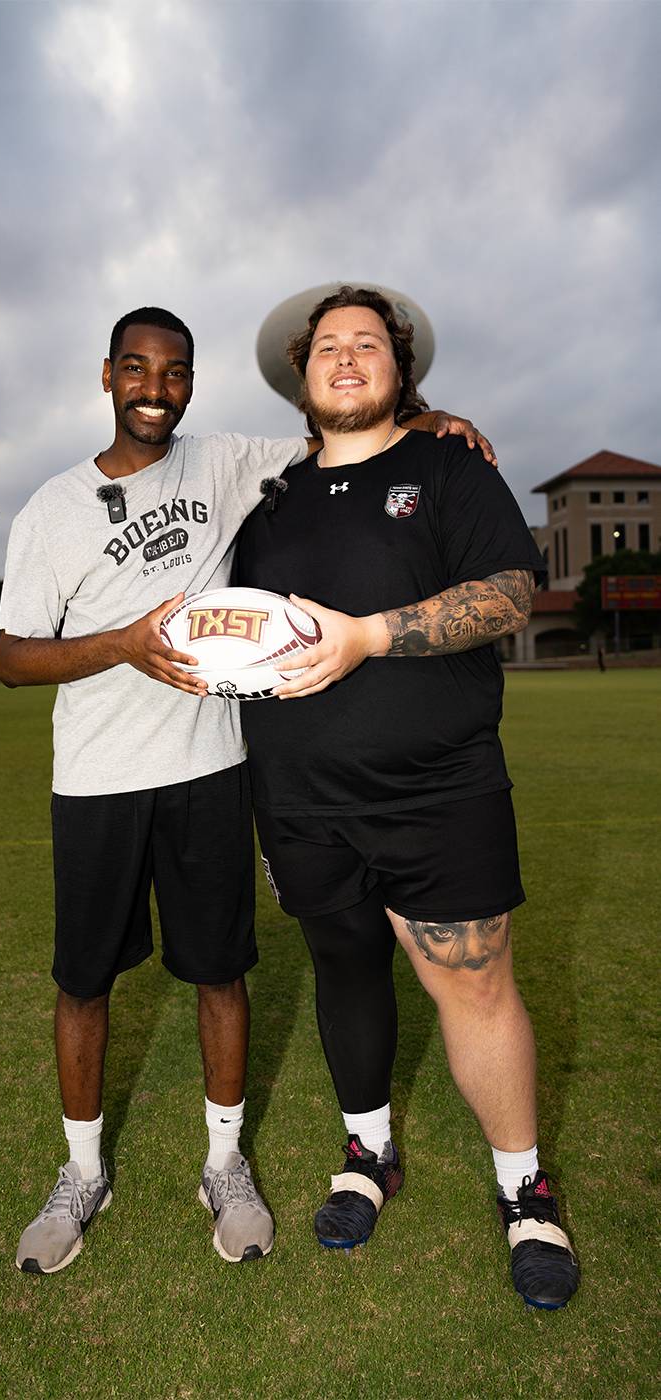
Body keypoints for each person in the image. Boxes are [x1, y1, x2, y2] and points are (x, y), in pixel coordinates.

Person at [0, 304, 492, 1275]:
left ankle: (225, 1164)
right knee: (83, 980)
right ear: (106, 377)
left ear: (189, 381)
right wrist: (126, 643)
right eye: (135, 369)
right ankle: (82, 1170)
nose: (153, 387)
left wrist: (429, 421)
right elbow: (11, 657)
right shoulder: (51, 507)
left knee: (220, 971)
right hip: (95, 778)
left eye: (172, 371)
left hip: (212, 769)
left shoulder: (226, 461)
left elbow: (337, 437)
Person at [235, 286, 579, 1310]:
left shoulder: (446, 466)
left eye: (368, 344)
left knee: (471, 985)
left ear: (401, 367)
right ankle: (368, 1150)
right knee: (343, 969)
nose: (346, 357)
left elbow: (509, 593)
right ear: (300, 377)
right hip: (297, 797)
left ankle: (523, 1186)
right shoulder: (269, 501)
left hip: (437, 790)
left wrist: (366, 634)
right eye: (327, 346)